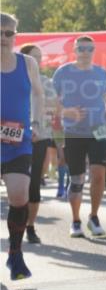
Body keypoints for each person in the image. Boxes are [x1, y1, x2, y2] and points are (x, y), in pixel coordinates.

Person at [52, 35, 106, 238]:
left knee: (99, 174)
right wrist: (67, 112)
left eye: (89, 49)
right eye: (81, 49)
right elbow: (51, 102)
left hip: (99, 129)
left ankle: (94, 217)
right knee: (77, 178)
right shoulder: (63, 72)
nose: (85, 52)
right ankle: (76, 220)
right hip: (74, 131)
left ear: (94, 51)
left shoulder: (102, 73)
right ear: (74, 51)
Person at [2, 14, 45, 279]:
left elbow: (38, 94)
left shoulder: (27, 63)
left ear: (16, 35)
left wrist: (37, 122)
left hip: (18, 142)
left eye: (9, 33)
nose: (3, 38)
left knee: (20, 197)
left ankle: (15, 254)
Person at [20, 44, 56, 245]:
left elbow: (52, 105)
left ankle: (30, 227)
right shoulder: (8, 76)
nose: (39, 61)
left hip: (38, 138)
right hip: (11, 139)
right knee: (15, 183)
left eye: (40, 57)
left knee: (33, 184)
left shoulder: (45, 82)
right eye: (35, 57)